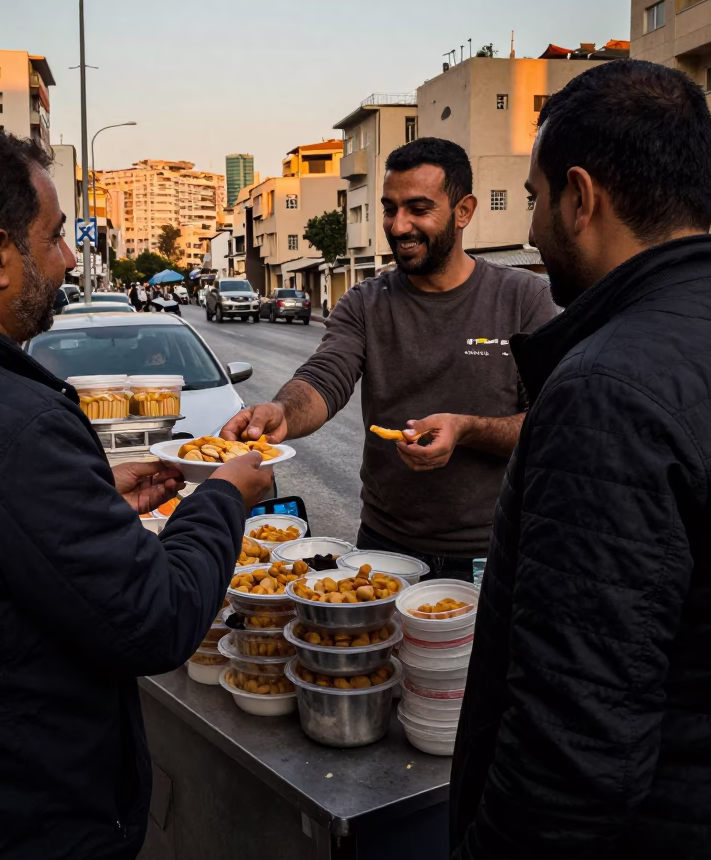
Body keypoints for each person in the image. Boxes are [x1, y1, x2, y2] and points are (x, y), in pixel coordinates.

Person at [0, 125, 273, 860]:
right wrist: (221, 497)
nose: (71, 258)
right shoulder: (19, 424)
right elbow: (156, 618)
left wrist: (85, 502)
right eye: (53, 237)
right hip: (7, 850)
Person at [443, 59, 711, 860]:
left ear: (579, 196)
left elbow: (573, 754)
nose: (529, 230)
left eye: (530, 199)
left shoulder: (606, 391)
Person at [223, 138, 557, 579]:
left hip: (495, 551)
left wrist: (467, 429)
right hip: (384, 550)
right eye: (390, 208)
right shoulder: (366, 302)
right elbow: (326, 376)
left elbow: (550, 423)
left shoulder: (524, 297)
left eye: (418, 209)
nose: (399, 226)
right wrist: (282, 411)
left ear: (464, 211)